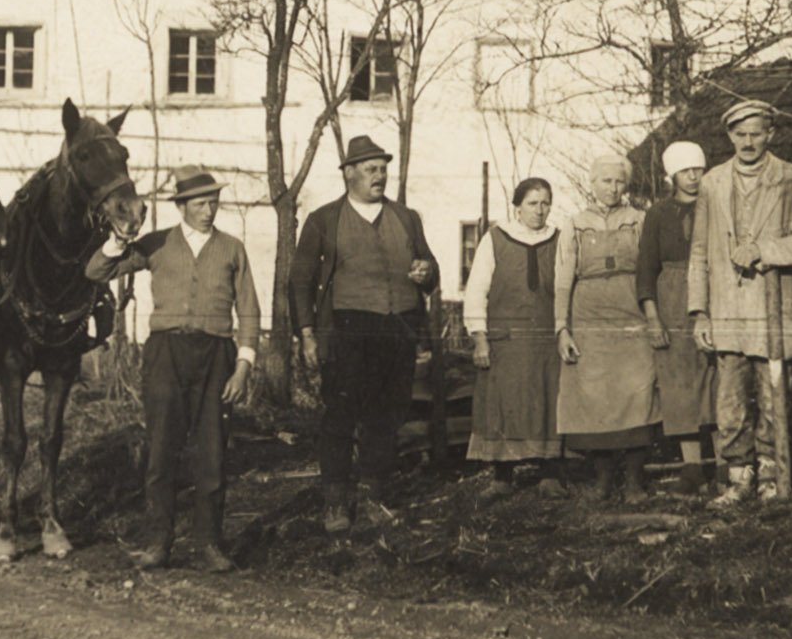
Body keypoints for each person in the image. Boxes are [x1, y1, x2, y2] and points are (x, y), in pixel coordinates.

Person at [87, 164, 259, 571]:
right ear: (182, 206)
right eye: (200, 203)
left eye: (213, 202)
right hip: (165, 353)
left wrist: (243, 367)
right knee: (162, 450)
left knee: (213, 451)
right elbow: (97, 271)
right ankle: (158, 542)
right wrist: (117, 239)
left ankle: (210, 544)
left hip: (216, 356)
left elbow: (249, 310)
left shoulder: (232, 248)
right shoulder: (157, 244)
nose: (208, 210)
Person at [290, 135, 440, 535]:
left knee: (386, 417)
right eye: (371, 169)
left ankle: (374, 497)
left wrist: (426, 272)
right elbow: (300, 281)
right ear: (349, 174)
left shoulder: (407, 217)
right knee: (340, 415)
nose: (380, 176)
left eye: (383, 168)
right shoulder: (324, 220)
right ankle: (336, 503)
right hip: (346, 330)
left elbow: (430, 266)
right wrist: (307, 334)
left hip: (398, 327)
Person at [687, 100, 792, 506]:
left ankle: (771, 474)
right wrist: (700, 312)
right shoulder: (712, 183)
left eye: (756, 134)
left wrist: (762, 249)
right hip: (727, 306)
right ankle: (738, 477)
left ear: (770, 135)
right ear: (729, 136)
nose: (748, 142)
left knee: (773, 393)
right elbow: (699, 251)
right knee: (728, 400)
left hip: (772, 306)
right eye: (740, 135)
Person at [554, 154, 663, 501]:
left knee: (638, 393)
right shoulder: (574, 224)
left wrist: (652, 316)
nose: (613, 188)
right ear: (592, 183)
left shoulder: (640, 220)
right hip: (588, 317)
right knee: (595, 398)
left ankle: (633, 482)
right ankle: (602, 482)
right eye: (605, 181)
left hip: (632, 314)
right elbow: (561, 280)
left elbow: (651, 269)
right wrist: (562, 328)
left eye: (618, 181)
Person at [463, 177, 566, 496]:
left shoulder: (560, 239)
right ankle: (502, 478)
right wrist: (479, 336)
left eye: (546, 202)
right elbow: (476, 290)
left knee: (550, 401)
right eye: (533, 203)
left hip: (547, 340)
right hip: (505, 340)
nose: (540, 210)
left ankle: (550, 475)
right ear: (517, 206)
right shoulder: (495, 239)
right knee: (502, 404)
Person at [637, 140, 716, 495]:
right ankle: (692, 466)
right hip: (670, 299)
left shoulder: (715, 207)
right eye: (686, 171)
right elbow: (645, 269)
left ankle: (728, 463)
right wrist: (653, 318)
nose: (694, 177)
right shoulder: (657, 214)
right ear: (673, 175)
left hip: (713, 292)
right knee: (678, 381)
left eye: (698, 170)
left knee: (715, 376)